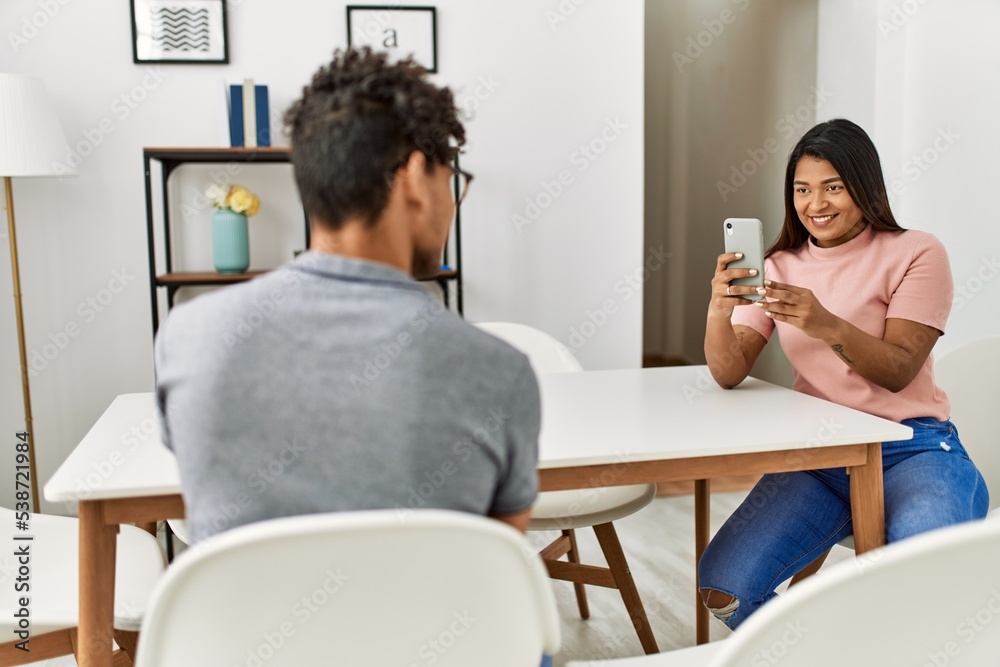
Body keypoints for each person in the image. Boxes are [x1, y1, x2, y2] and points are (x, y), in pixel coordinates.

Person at [154, 48, 540, 545]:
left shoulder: (186, 337)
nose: (453, 204)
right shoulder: (499, 373)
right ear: (416, 177)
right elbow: (498, 568)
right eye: (453, 182)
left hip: (238, 622)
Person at [698, 118, 989, 630]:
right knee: (725, 586)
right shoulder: (779, 265)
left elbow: (899, 370)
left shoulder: (917, 252)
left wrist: (826, 323)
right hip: (819, 454)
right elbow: (729, 371)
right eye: (802, 190)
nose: (816, 204)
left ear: (865, 186)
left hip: (911, 446)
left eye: (833, 186)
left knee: (924, 574)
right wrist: (719, 310)